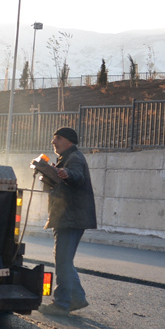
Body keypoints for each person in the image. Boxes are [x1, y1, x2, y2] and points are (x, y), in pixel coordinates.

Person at [38, 127, 97, 316]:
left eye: (58, 138)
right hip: (67, 217)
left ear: (69, 141)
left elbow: (76, 175)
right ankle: (77, 298)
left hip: (71, 218)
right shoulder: (65, 159)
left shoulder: (75, 158)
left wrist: (66, 173)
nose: (53, 142)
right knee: (64, 260)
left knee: (62, 260)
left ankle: (61, 304)